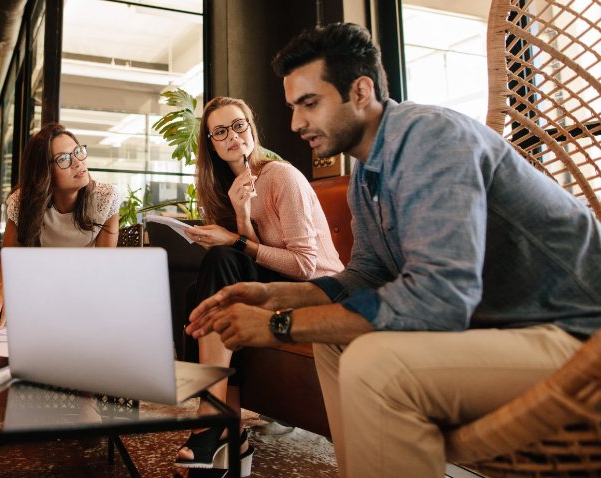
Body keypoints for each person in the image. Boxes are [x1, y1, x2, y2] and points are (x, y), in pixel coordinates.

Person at [185, 23, 601, 478]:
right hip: (504, 329)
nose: (295, 123)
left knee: (376, 364)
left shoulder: (430, 139)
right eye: (293, 107)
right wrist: (274, 296)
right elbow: (365, 275)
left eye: (310, 103)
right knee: (332, 339)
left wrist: (278, 325)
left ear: (360, 91)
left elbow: (439, 299)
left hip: (577, 334)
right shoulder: (369, 174)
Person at [175, 97, 343, 472]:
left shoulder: (280, 176)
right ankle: (230, 428)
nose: (233, 136)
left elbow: (304, 265)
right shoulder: (228, 187)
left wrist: (234, 240)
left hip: (319, 290)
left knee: (222, 261)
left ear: (251, 129)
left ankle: (212, 418)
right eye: (220, 131)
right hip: (279, 286)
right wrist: (240, 216)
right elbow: (254, 255)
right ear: (211, 144)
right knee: (197, 292)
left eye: (239, 125)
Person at [0, 123, 121, 327]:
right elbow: (7, 259)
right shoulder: (22, 203)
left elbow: (104, 266)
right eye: (63, 159)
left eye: (78, 152)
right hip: (38, 285)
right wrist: (5, 286)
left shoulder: (106, 198)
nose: (77, 162)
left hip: (85, 287)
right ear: (44, 171)